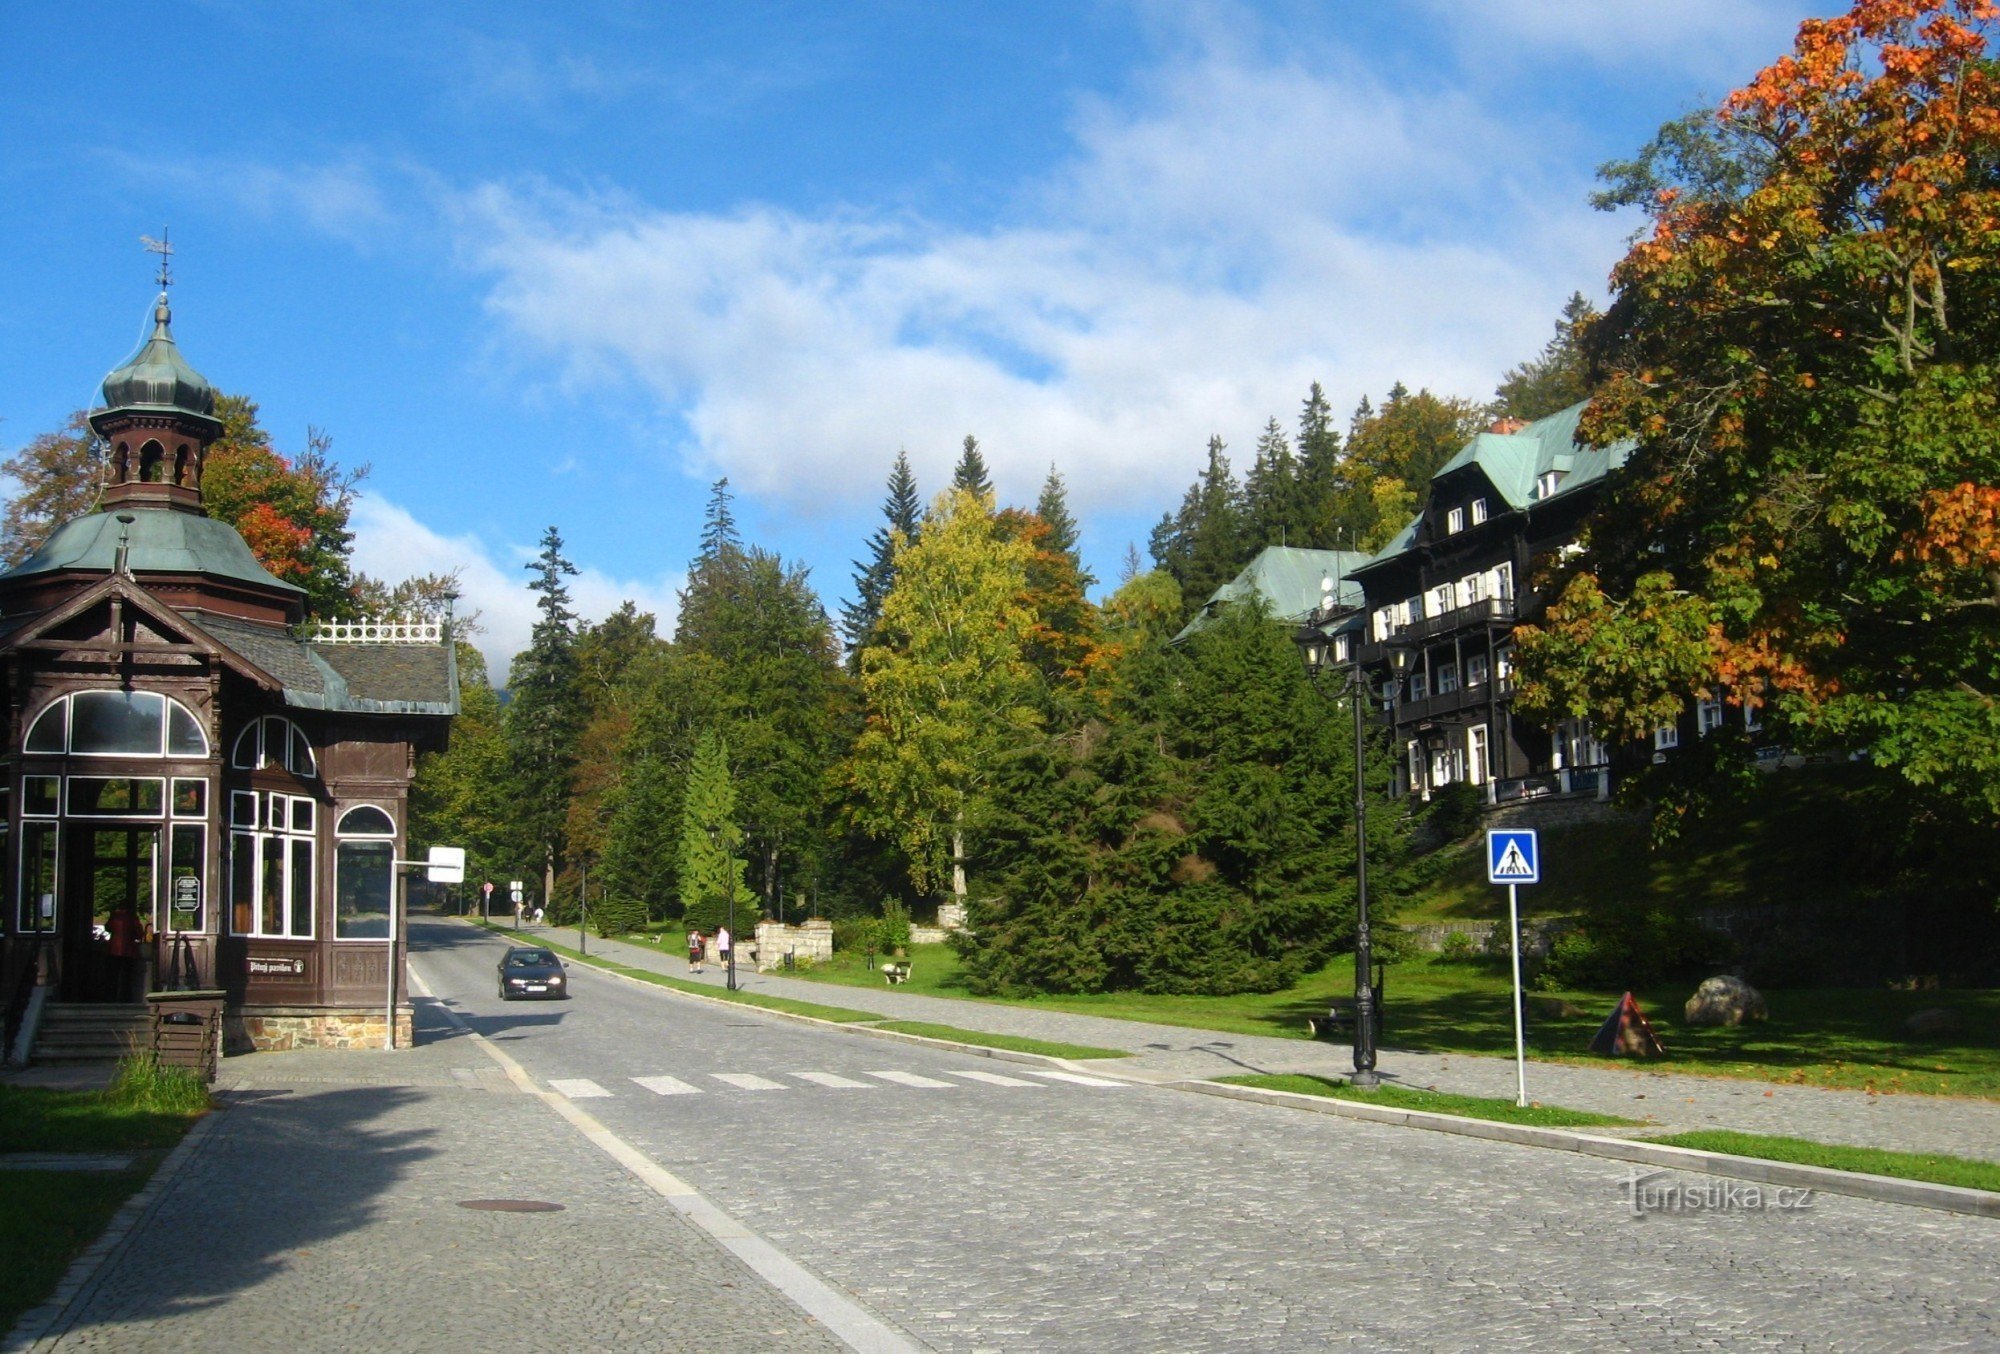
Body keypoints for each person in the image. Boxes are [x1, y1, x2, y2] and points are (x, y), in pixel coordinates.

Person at [106, 903, 143, 1002]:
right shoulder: (132, 917)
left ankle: (112, 996)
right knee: (127, 975)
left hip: (114, 949)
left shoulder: (114, 916)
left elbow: (108, 928)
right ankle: (125, 997)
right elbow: (139, 933)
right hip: (128, 950)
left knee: (114, 975)